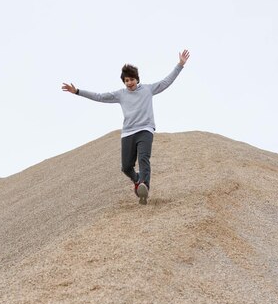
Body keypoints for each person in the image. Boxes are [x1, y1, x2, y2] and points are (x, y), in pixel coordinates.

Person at [62, 49, 190, 205]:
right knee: (126, 167)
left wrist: (180, 65)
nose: (129, 83)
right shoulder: (120, 94)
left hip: (145, 130)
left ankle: (144, 185)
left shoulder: (148, 90)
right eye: (126, 81)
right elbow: (100, 97)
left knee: (144, 158)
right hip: (128, 133)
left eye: (131, 79)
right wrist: (77, 91)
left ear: (137, 79)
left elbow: (166, 82)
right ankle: (137, 181)